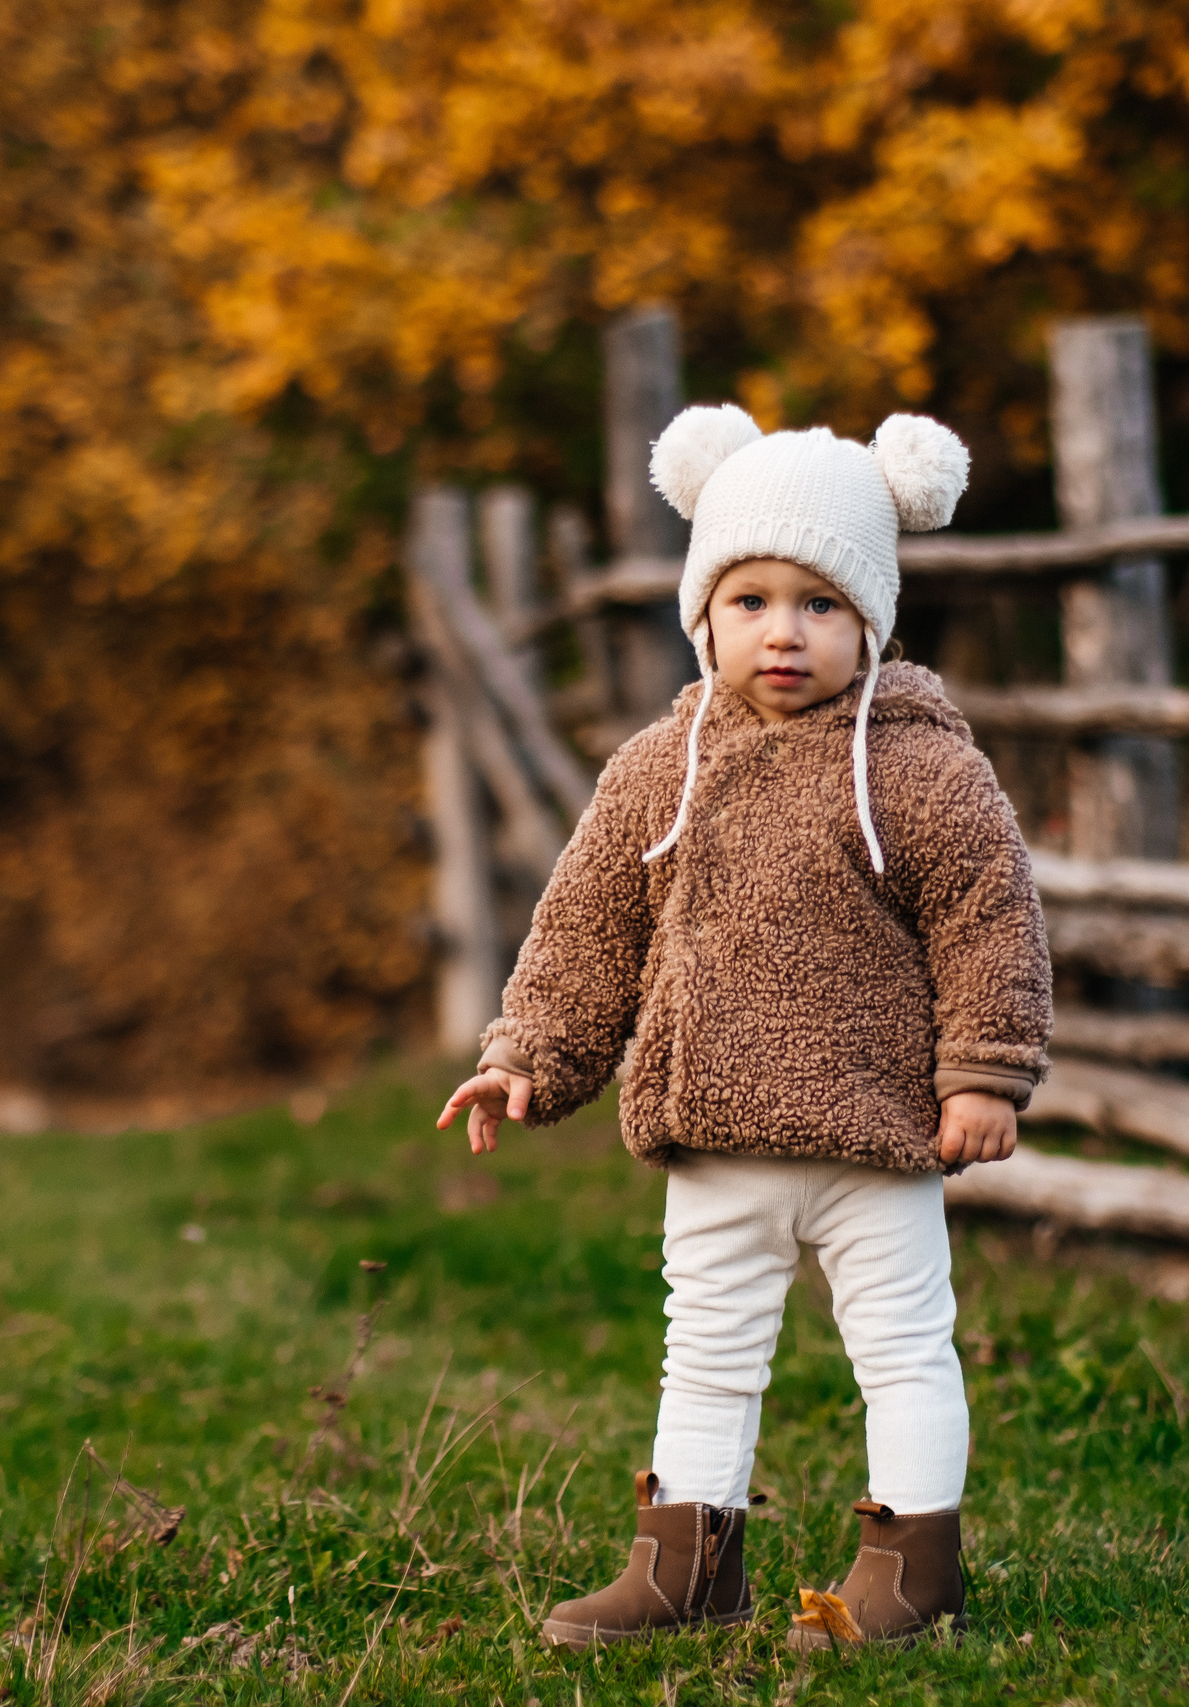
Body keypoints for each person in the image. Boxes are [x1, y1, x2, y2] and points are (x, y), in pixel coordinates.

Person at [436, 403, 1053, 1650]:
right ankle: (687, 1564)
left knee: (902, 1350)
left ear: (869, 620)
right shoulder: (657, 770)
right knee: (708, 1353)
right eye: (751, 600)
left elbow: (993, 917)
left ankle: (912, 1566)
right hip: (712, 1133)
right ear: (702, 614)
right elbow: (583, 934)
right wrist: (525, 1060)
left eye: (820, 605)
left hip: (875, 1137)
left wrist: (982, 1073)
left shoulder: (923, 769)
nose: (784, 631)